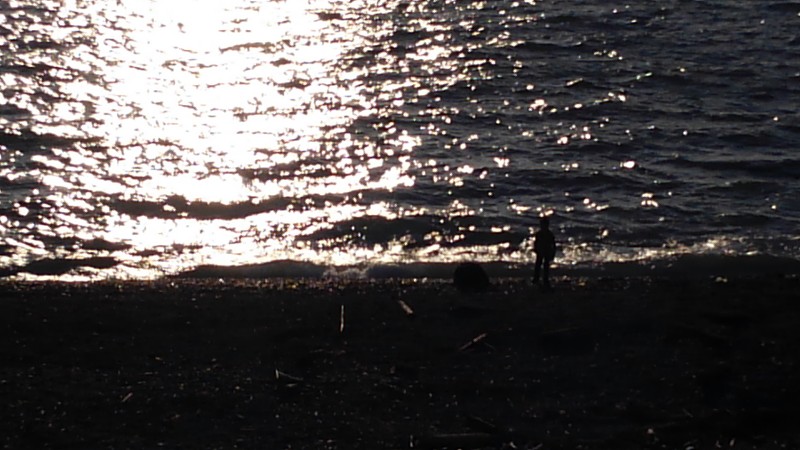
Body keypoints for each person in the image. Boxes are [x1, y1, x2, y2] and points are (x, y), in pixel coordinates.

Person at [533, 216, 556, 290]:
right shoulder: (540, 234)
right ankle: (537, 278)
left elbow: (553, 244)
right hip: (541, 251)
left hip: (546, 251)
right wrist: (535, 248)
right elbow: (536, 242)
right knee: (538, 265)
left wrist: (553, 252)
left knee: (545, 266)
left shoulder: (549, 234)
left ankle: (544, 279)